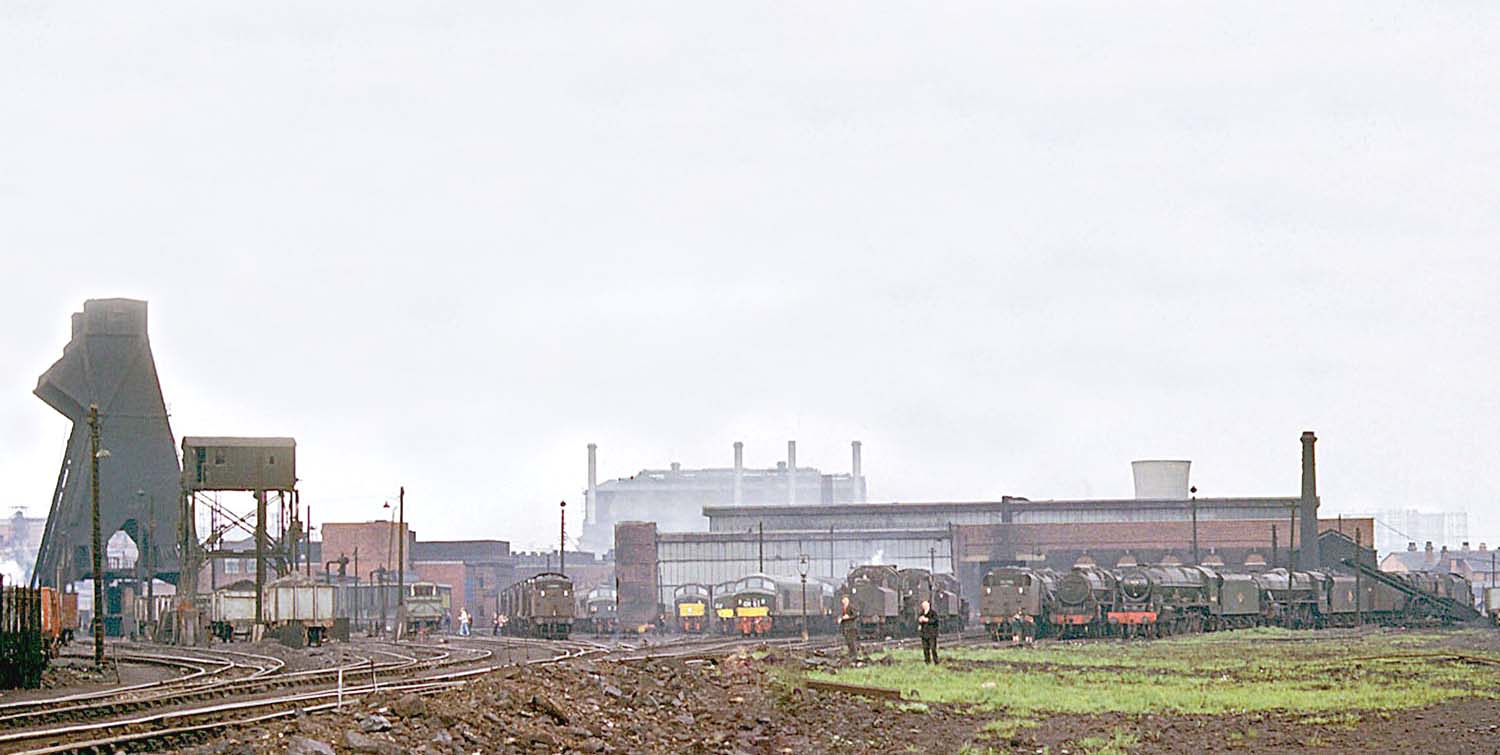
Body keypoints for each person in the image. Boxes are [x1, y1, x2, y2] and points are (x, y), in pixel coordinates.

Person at [917, 599, 940, 665]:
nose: (924, 607)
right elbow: (919, 622)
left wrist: (927, 620)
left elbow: (935, 621)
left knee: (933, 648)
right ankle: (927, 661)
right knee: (925, 649)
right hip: (924, 634)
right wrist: (920, 622)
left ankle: (936, 661)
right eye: (923, 606)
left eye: (925, 605)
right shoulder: (921, 613)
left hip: (932, 634)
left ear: (928, 605)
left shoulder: (933, 613)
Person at [838, 595, 862, 659]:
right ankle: (851, 654)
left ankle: (855, 655)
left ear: (847, 600)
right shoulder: (843, 608)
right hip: (846, 627)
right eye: (843, 600)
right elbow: (843, 616)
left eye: (844, 600)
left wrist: (848, 617)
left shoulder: (851, 607)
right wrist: (841, 619)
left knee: (852, 642)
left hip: (851, 627)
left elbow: (855, 615)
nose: (843, 601)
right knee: (848, 641)